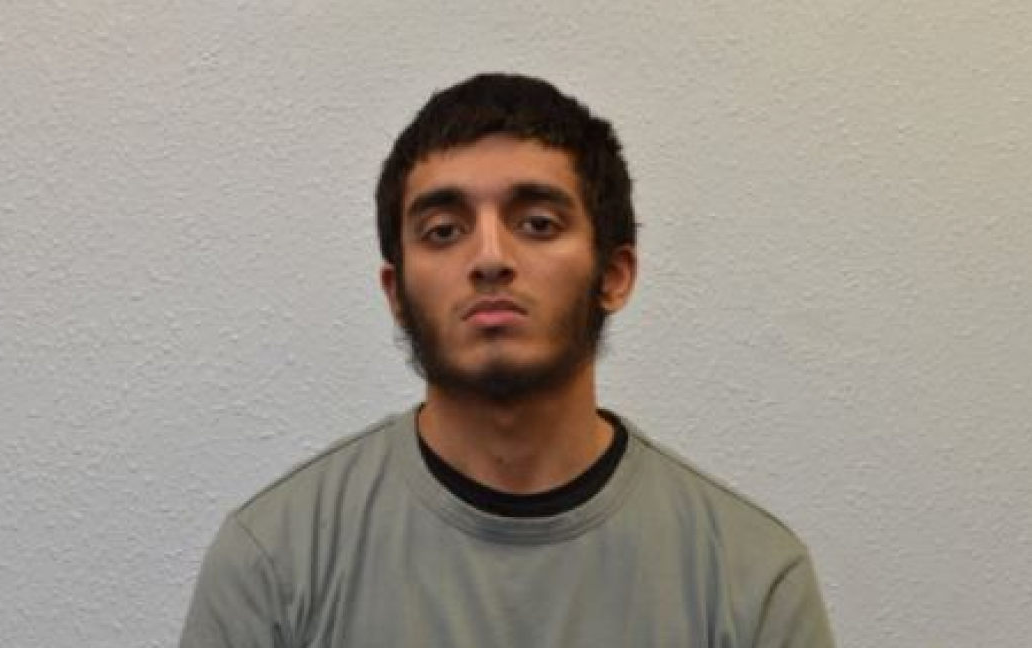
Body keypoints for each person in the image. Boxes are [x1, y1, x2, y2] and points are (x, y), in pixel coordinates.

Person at [179, 73, 836, 647]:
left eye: (538, 223)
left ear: (614, 275)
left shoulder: (751, 580)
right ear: (397, 294)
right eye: (444, 231)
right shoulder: (275, 563)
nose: (490, 258)